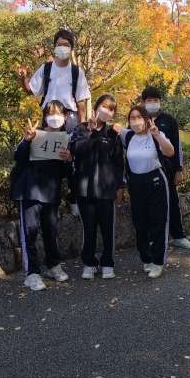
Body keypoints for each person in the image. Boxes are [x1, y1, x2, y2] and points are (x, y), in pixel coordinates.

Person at [18, 28, 90, 216]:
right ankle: (51, 202)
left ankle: (74, 198)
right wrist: (23, 77)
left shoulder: (77, 72)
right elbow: (30, 90)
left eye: (66, 45)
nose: (62, 48)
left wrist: (82, 126)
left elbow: (81, 101)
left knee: (72, 158)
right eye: (59, 45)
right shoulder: (46, 68)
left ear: (71, 48)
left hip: (70, 118)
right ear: (54, 47)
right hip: (49, 116)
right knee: (49, 159)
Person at [10, 100, 73, 291]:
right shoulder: (34, 134)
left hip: (51, 192)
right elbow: (18, 158)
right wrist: (26, 141)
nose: (55, 117)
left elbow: (65, 173)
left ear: (65, 117)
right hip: (29, 191)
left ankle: (53, 265)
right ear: (45, 116)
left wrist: (68, 160)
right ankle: (32, 274)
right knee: (30, 231)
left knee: (51, 230)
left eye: (59, 114)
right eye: (51, 113)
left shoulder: (66, 139)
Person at [69, 94, 124, 280]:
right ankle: (89, 263)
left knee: (108, 230)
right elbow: (76, 151)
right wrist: (90, 132)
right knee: (89, 229)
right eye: (104, 106)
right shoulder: (80, 129)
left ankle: (108, 263)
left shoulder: (113, 133)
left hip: (107, 191)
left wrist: (120, 186)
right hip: (85, 190)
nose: (106, 111)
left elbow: (119, 162)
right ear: (96, 107)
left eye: (111, 109)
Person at [116, 106, 174, 279]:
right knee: (140, 223)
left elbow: (170, 152)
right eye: (132, 118)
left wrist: (157, 135)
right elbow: (114, 128)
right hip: (136, 183)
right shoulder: (128, 136)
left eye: (139, 117)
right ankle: (146, 258)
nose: (135, 121)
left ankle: (158, 261)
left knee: (158, 222)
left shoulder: (155, 134)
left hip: (156, 182)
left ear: (147, 119)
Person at [141, 86, 190, 249]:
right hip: (146, 170)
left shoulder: (169, 120)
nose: (152, 103)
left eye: (155, 100)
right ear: (143, 102)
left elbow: (177, 146)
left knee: (172, 202)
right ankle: (151, 238)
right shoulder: (138, 119)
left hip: (167, 169)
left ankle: (178, 236)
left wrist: (178, 169)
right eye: (149, 100)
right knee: (148, 205)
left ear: (160, 102)